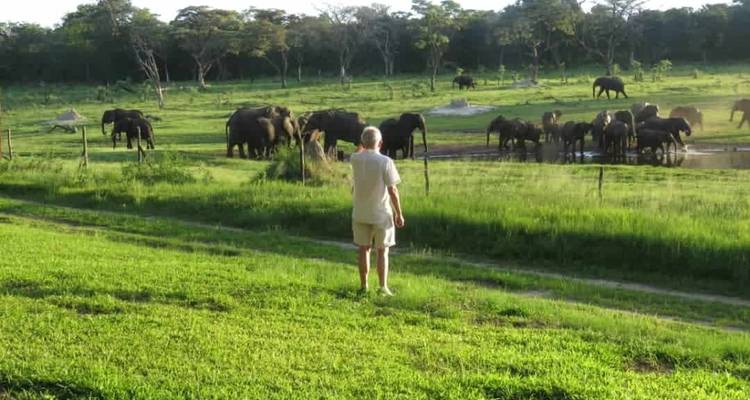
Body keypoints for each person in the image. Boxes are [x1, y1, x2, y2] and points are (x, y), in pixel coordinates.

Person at [350, 126, 405, 295]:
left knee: (363, 249)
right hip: (381, 213)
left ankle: (364, 285)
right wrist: (399, 213)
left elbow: (359, 150)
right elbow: (392, 190)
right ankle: (382, 287)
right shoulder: (385, 162)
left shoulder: (355, 159)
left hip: (360, 212)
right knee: (382, 251)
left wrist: (363, 144)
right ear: (380, 143)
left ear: (362, 143)